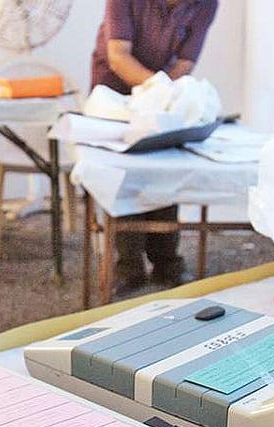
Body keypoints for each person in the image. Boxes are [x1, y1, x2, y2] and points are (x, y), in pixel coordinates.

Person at [91, 0, 219, 295]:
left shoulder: (206, 4)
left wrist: (167, 98)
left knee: (163, 169)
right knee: (126, 175)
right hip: (114, 94)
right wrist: (160, 91)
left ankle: (166, 262)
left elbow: (185, 62)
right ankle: (128, 267)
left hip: (161, 92)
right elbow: (119, 56)